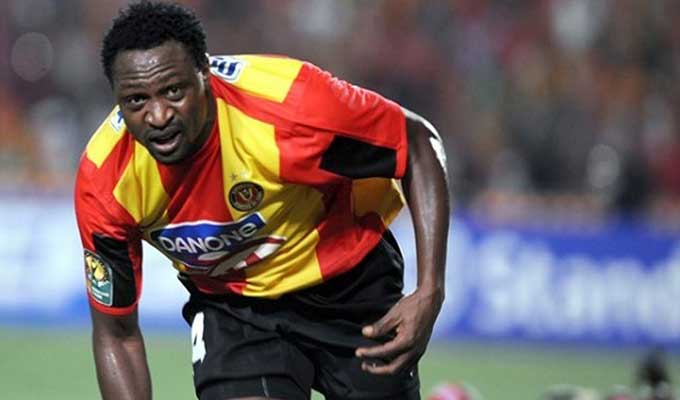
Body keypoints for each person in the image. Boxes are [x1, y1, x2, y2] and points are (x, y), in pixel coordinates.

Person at [74, 2, 449, 399]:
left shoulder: (290, 108)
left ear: (205, 74)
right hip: (234, 311)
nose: (158, 115)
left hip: (350, 284)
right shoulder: (106, 181)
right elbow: (117, 333)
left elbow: (417, 144)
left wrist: (430, 291)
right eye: (136, 100)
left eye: (173, 91)